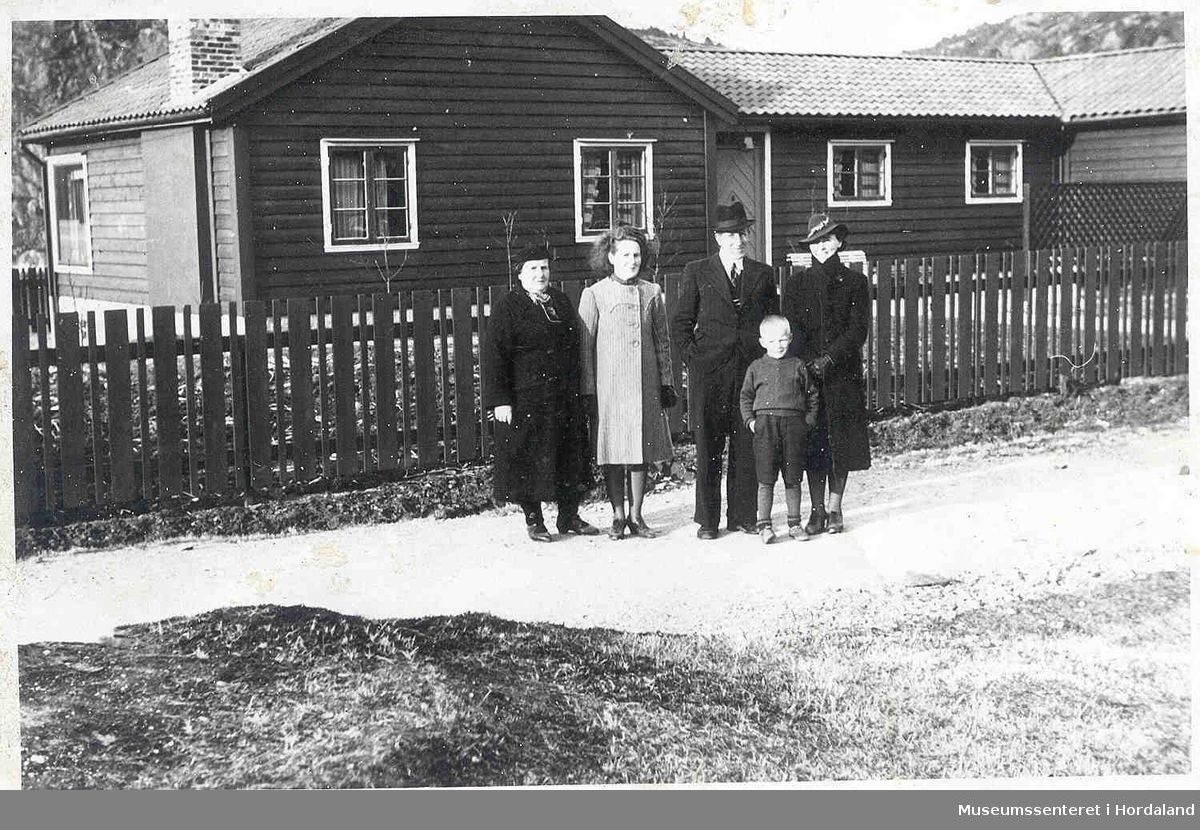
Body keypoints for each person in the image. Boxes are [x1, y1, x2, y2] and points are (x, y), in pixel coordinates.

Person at [671, 200, 778, 540]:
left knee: (746, 445)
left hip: (748, 374)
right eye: (730, 235)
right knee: (708, 445)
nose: (737, 241)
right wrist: (695, 360)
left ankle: (742, 515)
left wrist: (764, 365)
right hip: (709, 375)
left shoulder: (762, 274)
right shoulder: (697, 271)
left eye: (742, 234)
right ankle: (707, 519)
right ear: (718, 237)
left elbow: (771, 323)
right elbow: (681, 323)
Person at [482, 245, 599, 541]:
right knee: (528, 457)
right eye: (533, 268)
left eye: (544, 267)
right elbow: (495, 356)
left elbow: (576, 348)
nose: (540, 273)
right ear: (520, 273)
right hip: (526, 398)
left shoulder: (559, 301)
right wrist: (501, 401)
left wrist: (582, 390)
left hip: (563, 396)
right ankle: (534, 520)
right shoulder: (507, 307)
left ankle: (569, 516)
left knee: (569, 454)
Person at [578, 225, 677, 540]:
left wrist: (666, 382)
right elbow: (585, 348)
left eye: (636, 255)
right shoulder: (594, 294)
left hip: (645, 385)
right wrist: (588, 390)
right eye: (625, 255)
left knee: (640, 449)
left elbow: (662, 341)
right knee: (614, 450)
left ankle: (636, 515)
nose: (632, 261)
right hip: (610, 388)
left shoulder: (652, 292)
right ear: (611, 256)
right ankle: (618, 515)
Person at [781, 213, 872, 534]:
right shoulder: (796, 284)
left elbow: (857, 330)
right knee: (814, 442)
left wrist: (829, 360)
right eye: (815, 242)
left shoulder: (856, 283)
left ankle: (835, 509)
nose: (822, 247)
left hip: (842, 374)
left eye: (827, 240)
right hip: (808, 376)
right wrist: (807, 363)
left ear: (839, 241)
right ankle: (816, 511)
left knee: (842, 443)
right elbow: (792, 328)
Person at [739, 315, 820, 543]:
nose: (779, 345)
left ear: (790, 339)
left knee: (793, 477)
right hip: (766, 427)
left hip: (794, 427)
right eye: (772, 341)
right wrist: (751, 421)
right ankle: (764, 525)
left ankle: (794, 524)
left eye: (783, 340)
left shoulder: (797, 365)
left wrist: (808, 422)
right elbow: (745, 397)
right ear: (762, 342)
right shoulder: (756, 367)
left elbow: (812, 395)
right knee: (765, 478)